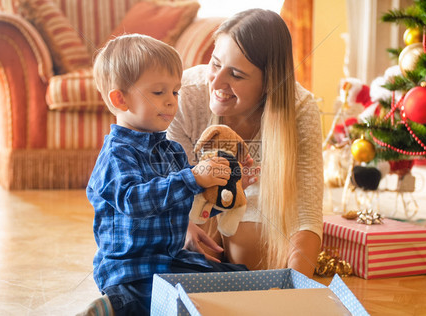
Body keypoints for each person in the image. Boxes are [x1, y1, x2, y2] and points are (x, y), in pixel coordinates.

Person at [82, 34, 248, 316]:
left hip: (170, 259)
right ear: (120, 99)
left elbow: (193, 207)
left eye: (175, 92)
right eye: (159, 93)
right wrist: (193, 178)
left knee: (236, 279)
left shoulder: (171, 150)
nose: (172, 102)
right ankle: (114, 307)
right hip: (130, 268)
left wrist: (222, 188)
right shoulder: (116, 154)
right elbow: (133, 201)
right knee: (152, 300)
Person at [166, 8, 323, 278]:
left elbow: (306, 212)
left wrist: (297, 289)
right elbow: (169, 187)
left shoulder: (300, 108)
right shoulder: (186, 95)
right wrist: (182, 227)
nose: (216, 81)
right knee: (199, 254)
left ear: (268, 84)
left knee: (250, 260)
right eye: (215, 64)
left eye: (236, 75)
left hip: (256, 206)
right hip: (193, 204)